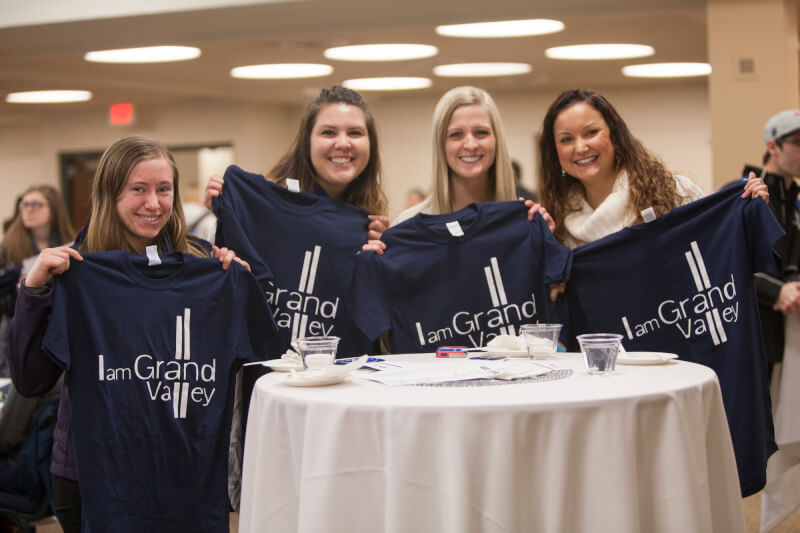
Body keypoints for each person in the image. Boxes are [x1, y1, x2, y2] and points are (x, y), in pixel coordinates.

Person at [8, 136, 247, 533]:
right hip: (92, 474)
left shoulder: (204, 263)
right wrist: (34, 292)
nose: (153, 204)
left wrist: (236, 283)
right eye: (138, 189)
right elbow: (30, 379)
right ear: (110, 194)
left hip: (184, 468)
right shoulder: (74, 270)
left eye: (163, 189)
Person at [536, 88, 768, 248]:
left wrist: (749, 215)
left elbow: (721, 246)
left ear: (614, 134)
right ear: (554, 152)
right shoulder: (554, 224)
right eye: (566, 140)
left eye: (591, 133)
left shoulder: (674, 193)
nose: (581, 147)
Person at [205, 84, 389, 252]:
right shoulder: (266, 209)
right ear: (307, 142)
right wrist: (228, 215)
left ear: (370, 143)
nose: (343, 143)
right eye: (328, 133)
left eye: (355, 133)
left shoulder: (370, 220)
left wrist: (381, 256)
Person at [393, 86, 548, 225]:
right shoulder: (408, 225)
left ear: (496, 140)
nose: (471, 145)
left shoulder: (524, 221)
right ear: (441, 145)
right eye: (456, 134)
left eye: (481, 132)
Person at [0, 186, 75, 377]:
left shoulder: (71, 244)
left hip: (57, 322)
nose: (28, 210)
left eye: (36, 205)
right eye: (24, 205)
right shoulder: (8, 247)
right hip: (17, 322)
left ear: (53, 210)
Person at [754, 109, 800, 377]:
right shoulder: (745, 193)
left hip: (788, 327)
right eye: (797, 142)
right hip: (755, 327)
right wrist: (776, 291)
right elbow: (727, 264)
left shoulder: (794, 201)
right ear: (773, 146)